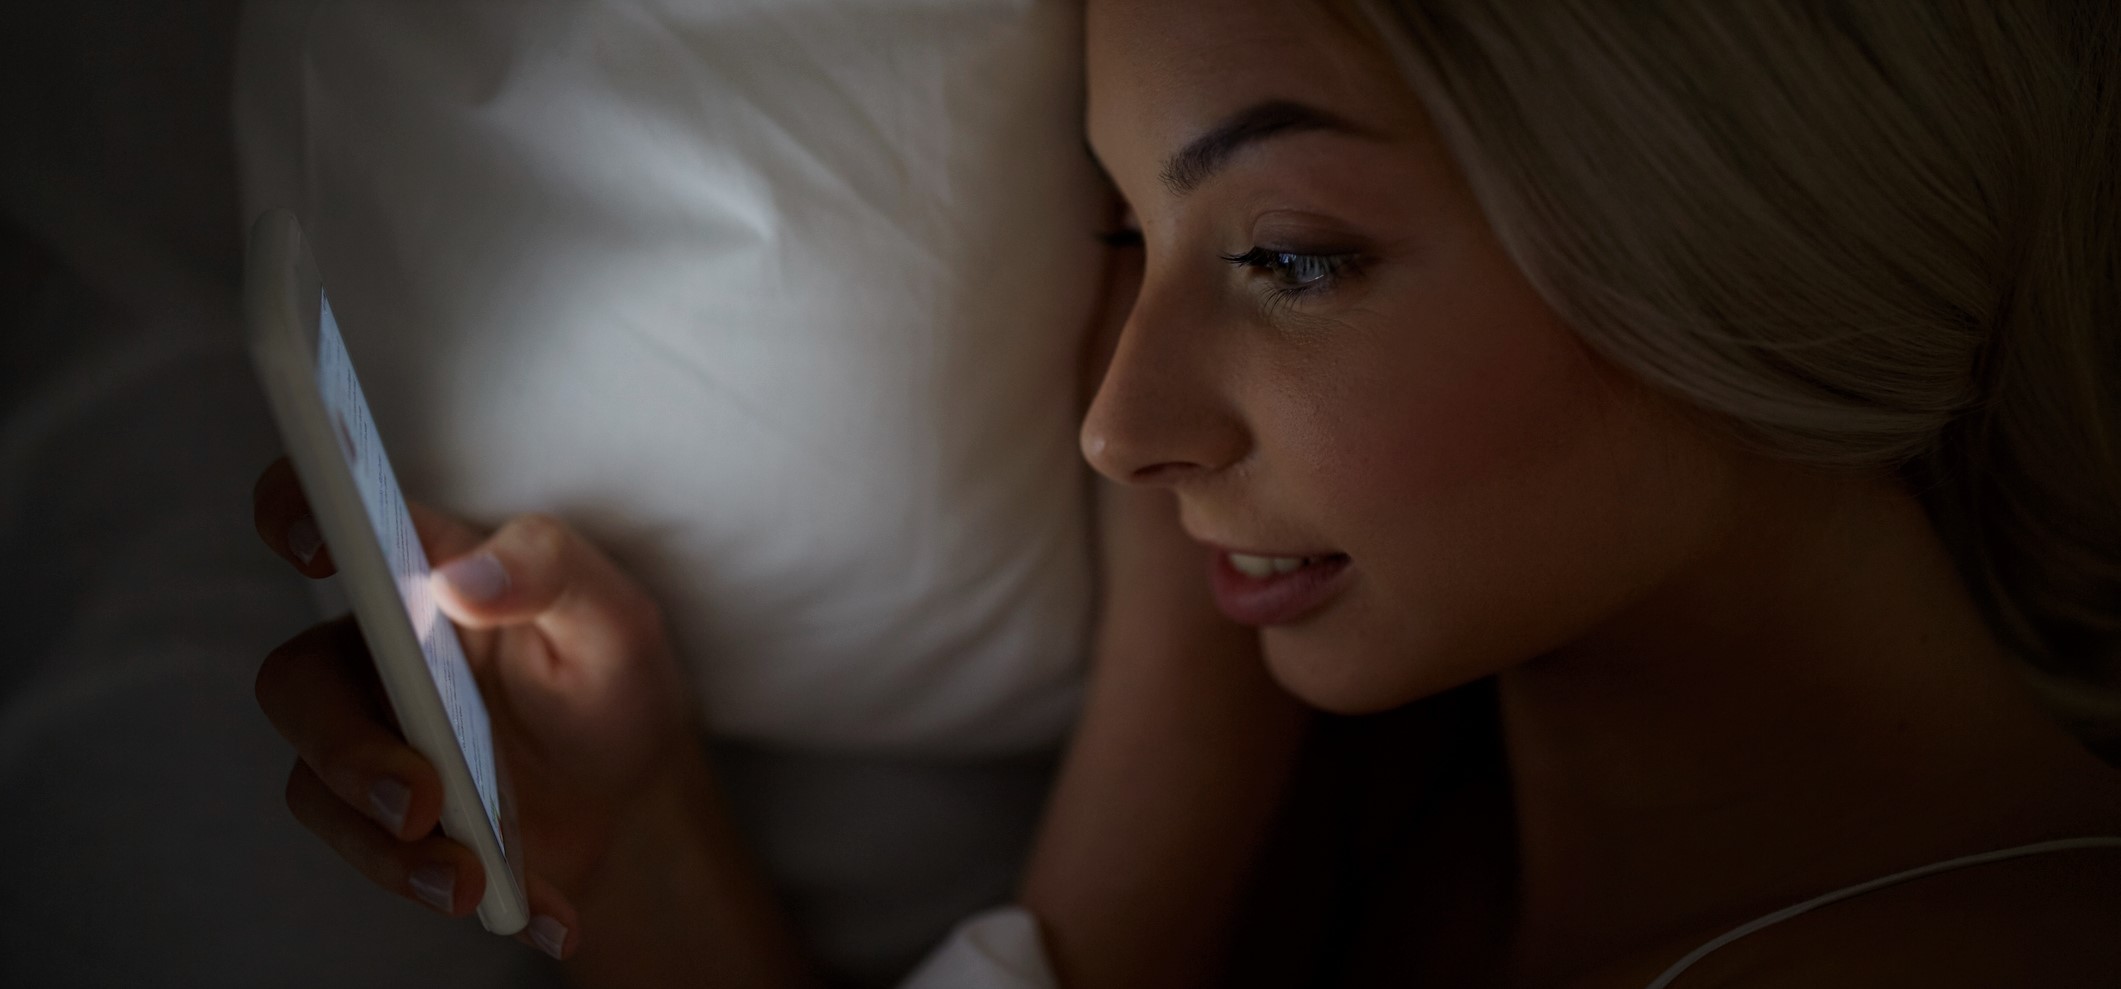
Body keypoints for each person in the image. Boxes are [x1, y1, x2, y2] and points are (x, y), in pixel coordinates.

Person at [254, 0, 2121, 985]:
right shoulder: (1424, 819)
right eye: (1125, 232)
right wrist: (638, 836)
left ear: (1733, 222)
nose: (1117, 429)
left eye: (1290, 256)